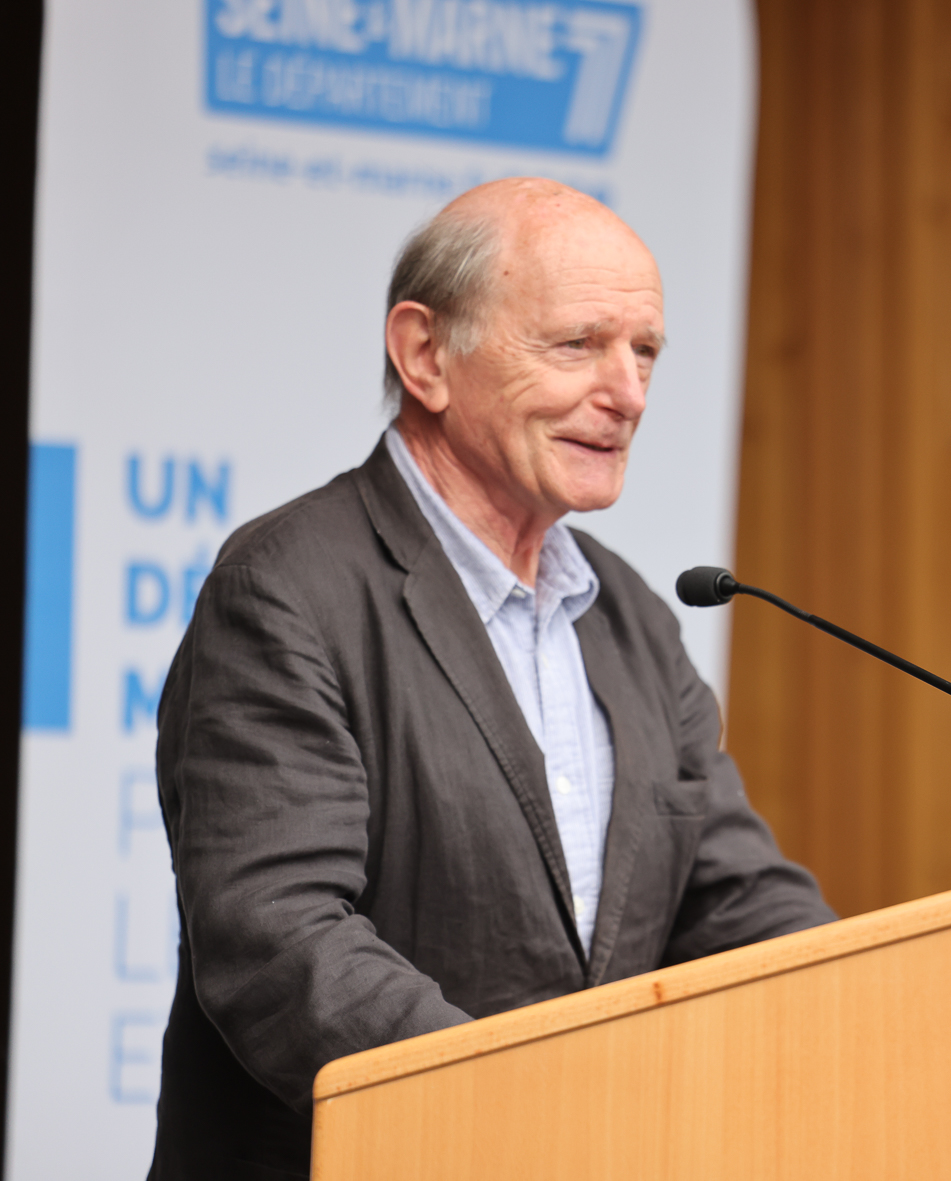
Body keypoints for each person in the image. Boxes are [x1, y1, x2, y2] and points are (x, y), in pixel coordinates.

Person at [148, 178, 835, 1178]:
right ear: (425, 354)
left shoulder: (633, 619)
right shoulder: (287, 590)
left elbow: (731, 904)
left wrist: (871, 1000)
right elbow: (282, 943)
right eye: (577, 344)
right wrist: (527, 1116)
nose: (628, 391)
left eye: (644, 351)